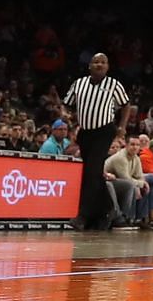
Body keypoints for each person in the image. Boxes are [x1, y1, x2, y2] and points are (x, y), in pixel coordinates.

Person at [64, 52, 134, 230]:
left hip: (104, 131)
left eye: (103, 62)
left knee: (92, 171)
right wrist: (72, 123)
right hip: (85, 132)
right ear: (90, 66)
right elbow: (67, 104)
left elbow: (126, 105)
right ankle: (110, 210)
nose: (99, 65)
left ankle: (83, 216)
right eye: (96, 62)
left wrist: (122, 127)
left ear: (108, 67)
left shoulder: (113, 84)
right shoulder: (79, 83)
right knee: (92, 174)